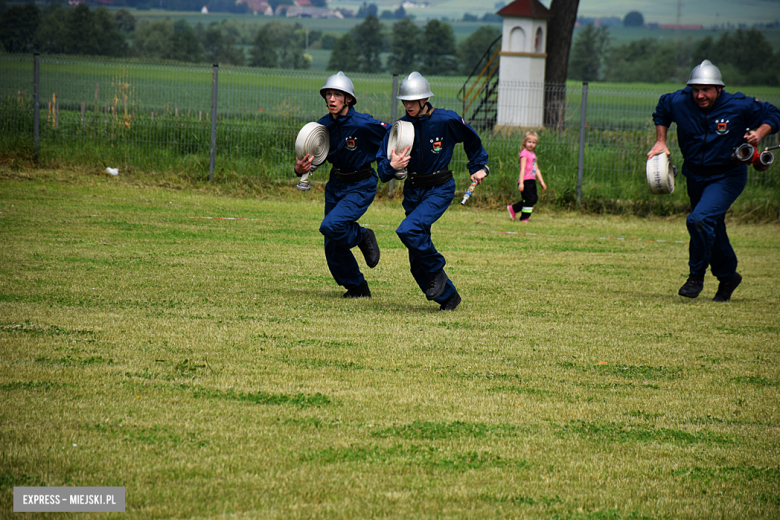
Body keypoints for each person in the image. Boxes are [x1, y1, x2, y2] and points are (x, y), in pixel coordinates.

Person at [648, 60, 780, 302]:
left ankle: (695, 277)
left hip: (728, 175)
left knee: (699, 220)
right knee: (712, 226)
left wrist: (759, 133)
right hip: (695, 175)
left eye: (706, 89)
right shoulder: (679, 101)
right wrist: (661, 140)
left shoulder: (739, 105)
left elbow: (774, 113)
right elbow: (662, 109)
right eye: (695, 89)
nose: (700, 95)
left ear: (719, 88)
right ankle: (728, 276)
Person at [376, 72, 489, 311]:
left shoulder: (445, 120)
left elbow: (471, 139)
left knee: (408, 229)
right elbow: (382, 170)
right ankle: (449, 297)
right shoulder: (399, 128)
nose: (408, 105)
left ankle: (437, 268)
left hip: (440, 188)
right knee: (416, 262)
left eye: (412, 100)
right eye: (404, 101)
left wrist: (479, 166)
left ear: (424, 99)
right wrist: (391, 166)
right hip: (413, 191)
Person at [294, 72, 389, 299]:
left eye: (338, 94)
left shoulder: (364, 124)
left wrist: (395, 161)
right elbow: (311, 159)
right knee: (332, 242)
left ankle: (362, 235)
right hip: (336, 184)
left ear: (349, 99)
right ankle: (357, 287)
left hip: (361, 184)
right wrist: (300, 170)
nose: (332, 99)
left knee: (331, 226)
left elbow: (395, 134)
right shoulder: (322, 126)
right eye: (328, 94)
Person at [507, 130, 547, 222]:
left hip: (532, 180)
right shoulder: (524, 154)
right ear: (524, 142)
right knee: (529, 199)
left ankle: (514, 208)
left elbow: (536, 169)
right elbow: (522, 169)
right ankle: (524, 218)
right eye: (529, 142)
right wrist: (521, 183)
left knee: (534, 199)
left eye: (533, 143)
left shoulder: (533, 155)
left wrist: (541, 181)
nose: (531, 144)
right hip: (525, 180)